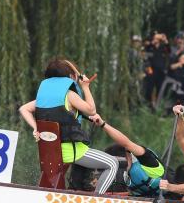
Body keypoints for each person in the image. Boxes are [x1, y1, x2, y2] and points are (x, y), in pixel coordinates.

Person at [18, 58, 118, 195]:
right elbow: (91, 110)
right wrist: (85, 87)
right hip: (72, 151)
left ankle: (57, 195)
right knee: (113, 164)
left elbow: (24, 109)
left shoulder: (44, 97)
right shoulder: (70, 95)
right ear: (71, 76)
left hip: (52, 153)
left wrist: (36, 128)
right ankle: (97, 200)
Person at [91, 115, 165, 196]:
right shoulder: (127, 176)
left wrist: (103, 124)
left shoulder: (147, 159)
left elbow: (126, 143)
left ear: (127, 159)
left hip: (171, 197)